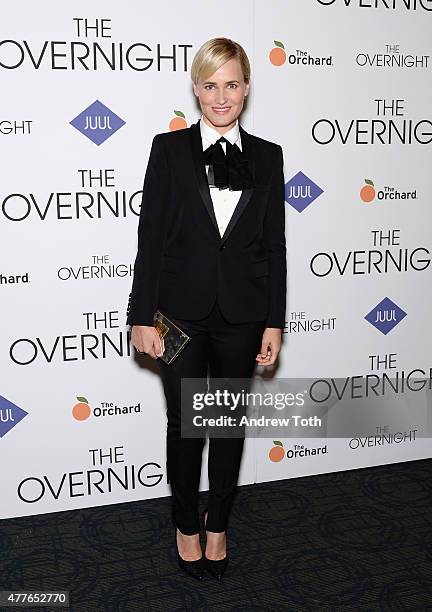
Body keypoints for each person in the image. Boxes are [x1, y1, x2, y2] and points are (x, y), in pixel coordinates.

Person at [127, 37, 286, 581]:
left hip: (243, 315)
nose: (222, 96)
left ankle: (217, 523)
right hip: (180, 315)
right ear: (195, 89)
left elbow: (274, 245)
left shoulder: (267, 155)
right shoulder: (167, 151)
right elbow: (149, 240)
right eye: (211, 84)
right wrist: (140, 315)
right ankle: (185, 524)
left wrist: (275, 319)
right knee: (186, 427)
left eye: (233, 84)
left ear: (246, 87)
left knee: (227, 426)